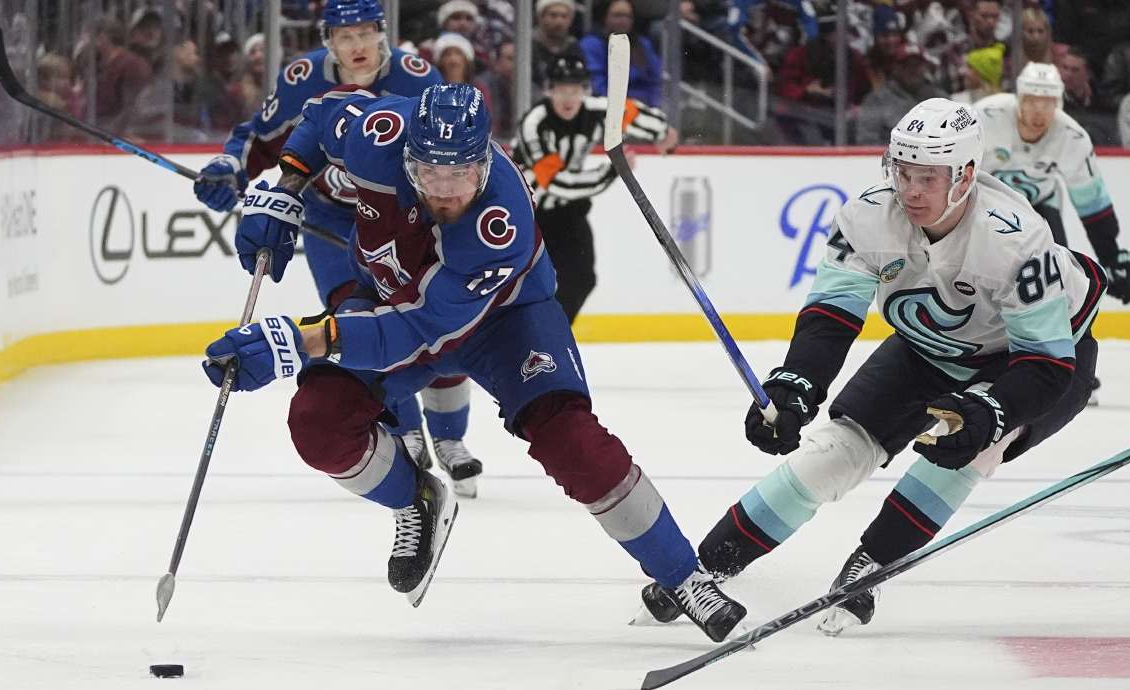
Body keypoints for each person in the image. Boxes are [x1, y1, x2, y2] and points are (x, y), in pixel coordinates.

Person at [199, 82, 748, 642]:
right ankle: (415, 498)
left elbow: (417, 331)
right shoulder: (377, 130)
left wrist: (301, 340)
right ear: (406, 156)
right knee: (318, 423)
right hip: (392, 300)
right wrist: (288, 189)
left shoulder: (498, 221)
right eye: (430, 176)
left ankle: (684, 576)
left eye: (460, 175)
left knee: (571, 439)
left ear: (485, 160)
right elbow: (317, 118)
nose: (446, 193)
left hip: (504, 322)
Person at [638, 97, 1107, 638]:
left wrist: (990, 410)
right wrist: (796, 385)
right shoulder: (866, 214)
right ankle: (709, 566)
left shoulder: (1017, 239)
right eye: (901, 171)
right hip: (930, 343)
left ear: (966, 176)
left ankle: (872, 563)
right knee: (833, 452)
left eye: (927, 177)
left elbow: (1045, 364)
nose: (909, 190)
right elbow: (830, 315)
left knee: (956, 452)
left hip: (1041, 358)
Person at [191, 0, 485, 498]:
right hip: (332, 222)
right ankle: (405, 431)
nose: (357, 46)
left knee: (434, 322)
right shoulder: (302, 78)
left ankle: (451, 440)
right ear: (327, 39)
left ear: (383, 34)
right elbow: (258, 140)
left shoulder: (420, 79)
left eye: (366, 33)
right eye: (344, 36)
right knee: (358, 319)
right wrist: (228, 167)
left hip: (408, 220)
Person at [511, 56, 677, 323]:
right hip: (526, 216)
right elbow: (555, 183)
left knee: (582, 279)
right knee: (519, 285)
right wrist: (612, 170)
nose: (569, 97)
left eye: (575, 89)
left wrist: (663, 132)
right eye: (562, 89)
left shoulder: (596, 111)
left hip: (567, 213)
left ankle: (553, 336)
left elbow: (633, 113)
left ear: (585, 91)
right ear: (549, 90)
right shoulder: (534, 124)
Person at [973, 63, 1130, 307]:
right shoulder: (984, 116)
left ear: (1058, 103)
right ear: (1018, 99)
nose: (1039, 111)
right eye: (1031, 101)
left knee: (1057, 275)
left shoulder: (1072, 137)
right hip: (982, 204)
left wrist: (1111, 258)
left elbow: (1093, 204)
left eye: (1048, 102)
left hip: (1039, 204)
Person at [856, 44, 944, 145]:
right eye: (907, 65)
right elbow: (867, 141)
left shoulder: (940, 99)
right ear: (895, 68)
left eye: (917, 65)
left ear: (925, 67)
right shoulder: (876, 100)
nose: (913, 70)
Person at [580, 0, 663, 107]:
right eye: (617, 15)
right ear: (605, 17)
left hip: (644, 107)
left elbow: (655, 80)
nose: (624, 20)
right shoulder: (591, 44)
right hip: (608, 108)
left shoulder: (643, 44)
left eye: (628, 16)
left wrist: (650, 105)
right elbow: (597, 85)